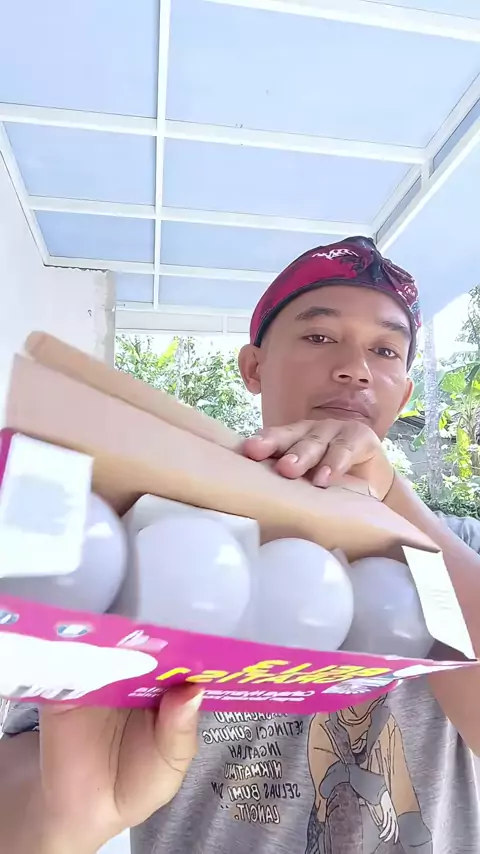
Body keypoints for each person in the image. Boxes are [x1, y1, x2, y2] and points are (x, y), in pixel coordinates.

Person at [2, 235, 480, 854]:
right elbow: (26, 779)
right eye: (319, 336)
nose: (356, 368)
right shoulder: (154, 534)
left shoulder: (458, 547)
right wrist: (64, 817)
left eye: (385, 349)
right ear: (253, 368)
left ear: (405, 392)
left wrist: (392, 496)